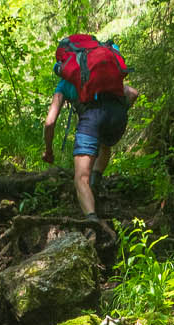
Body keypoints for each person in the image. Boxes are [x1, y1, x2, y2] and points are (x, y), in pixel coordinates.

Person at [42, 45, 139, 220]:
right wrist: (120, 111)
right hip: (116, 116)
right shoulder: (104, 81)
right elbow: (132, 93)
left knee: (80, 178)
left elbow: (49, 123)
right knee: (104, 142)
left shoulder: (64, 84)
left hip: (91, 119)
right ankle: (96, 182)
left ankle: (92, 220)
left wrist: (48, 151)